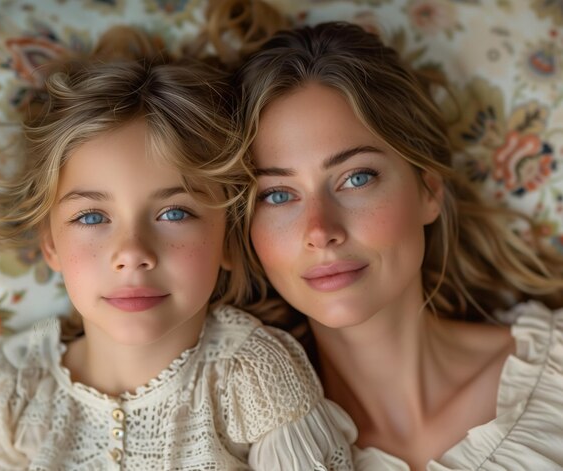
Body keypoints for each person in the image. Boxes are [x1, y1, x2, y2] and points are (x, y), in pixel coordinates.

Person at [0, 27, 355, 470]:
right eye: (91, 217)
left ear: (228, 238)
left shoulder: (253, 378)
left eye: (174, 212)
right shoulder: (7, 390)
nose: (132, 252)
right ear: (50, 244)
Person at [234, 20, 563, 471]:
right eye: (277, 194)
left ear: (428, 190)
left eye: (356, 178)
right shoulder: (243, 452)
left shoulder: (555, 375)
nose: (320, 229)